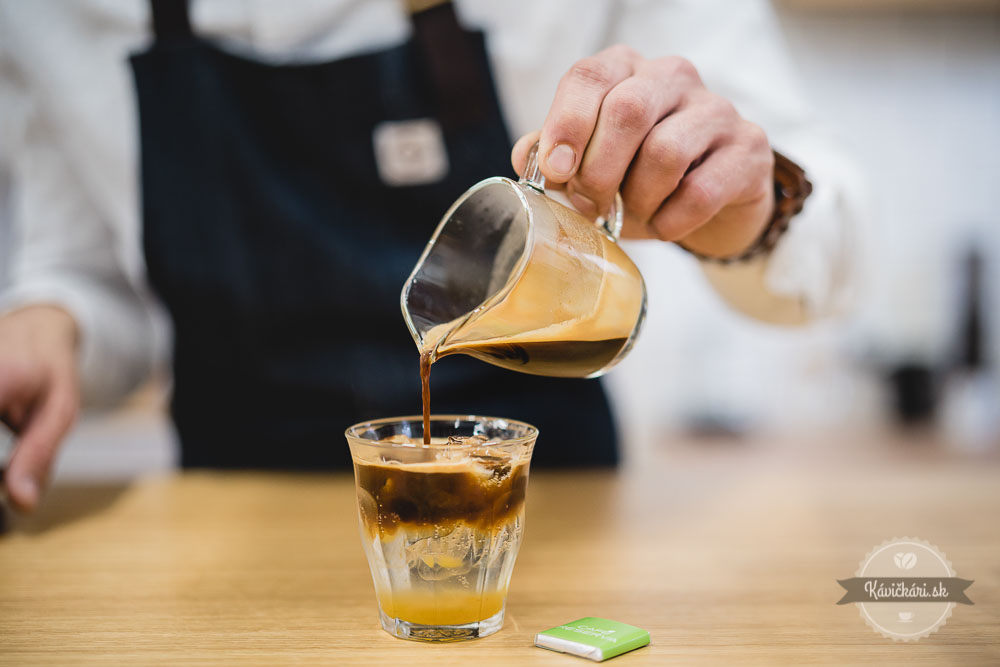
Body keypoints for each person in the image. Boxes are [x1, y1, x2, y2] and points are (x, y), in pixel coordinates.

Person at [0, 0, 861, 512]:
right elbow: (87, 268)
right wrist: (49, 322)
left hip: (551, 520)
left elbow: (836, 246)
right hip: (224, 519)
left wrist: (749, 206)